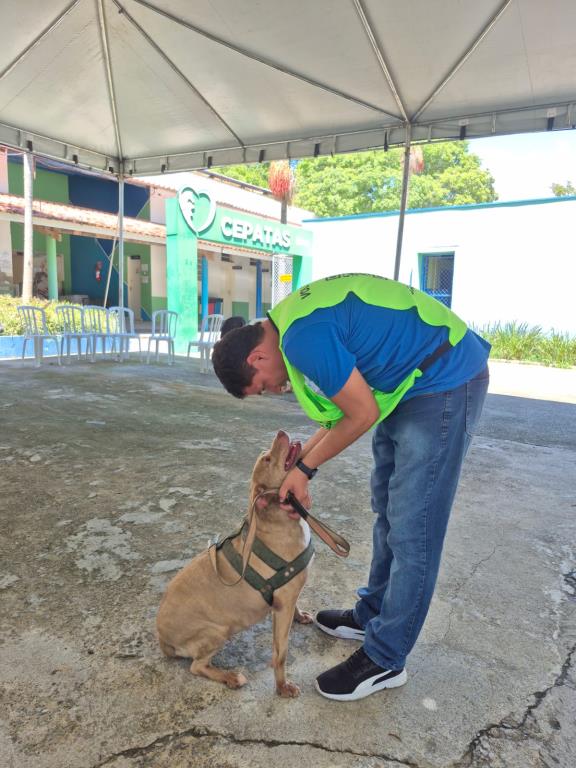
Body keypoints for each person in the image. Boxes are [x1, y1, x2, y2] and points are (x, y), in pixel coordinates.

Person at [212, 273, 490, 702]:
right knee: (388, 510)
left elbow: (360, 414)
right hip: (406, 385)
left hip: (444, 381)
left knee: (414, 529)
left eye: (264, 385)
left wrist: (305, 470)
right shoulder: (292, 322)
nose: (277, 389)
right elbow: (343, 414)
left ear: (257, 357)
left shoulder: (301, 338)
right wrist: (299, 469)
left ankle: (386, 657)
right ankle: (373, 614)